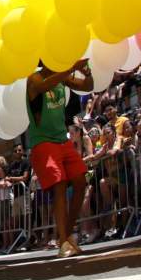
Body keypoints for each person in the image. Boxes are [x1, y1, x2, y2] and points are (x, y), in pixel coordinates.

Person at [26, 59, 94, 257]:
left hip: (62, 140)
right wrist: (71, 68)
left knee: (81, 181)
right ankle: (63, 241)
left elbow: (87, 86)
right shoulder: (34, 78)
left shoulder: (61, 79)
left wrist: (86, 72)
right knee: (60, 186)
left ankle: (66, 237)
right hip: (43, 142)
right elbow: (42, 86)